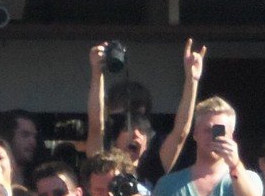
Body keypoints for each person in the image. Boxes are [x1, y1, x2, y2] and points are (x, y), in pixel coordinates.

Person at [85, 38, 204, 187]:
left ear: (148, 142)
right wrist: (97, 73)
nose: (136, 135)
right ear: (115, 138)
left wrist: (192, 80)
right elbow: (96, 127)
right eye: (126, 127)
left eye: (142, 130)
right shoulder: (102, 162)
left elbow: (180, 133)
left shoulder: (154, 167)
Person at [153, 96, 263, 196]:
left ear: (231, 136)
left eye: (219, 131)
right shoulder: (168, 184)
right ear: (195, 133)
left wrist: (235, 165)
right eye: (207, 130)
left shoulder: (248, 179)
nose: (213, 137)